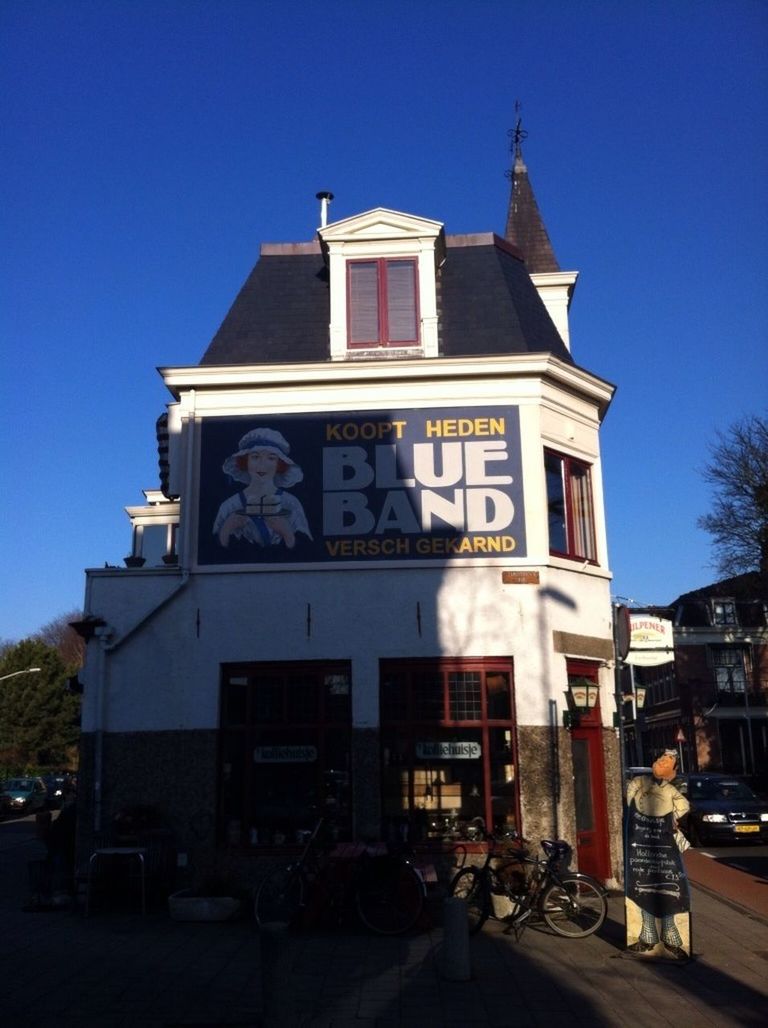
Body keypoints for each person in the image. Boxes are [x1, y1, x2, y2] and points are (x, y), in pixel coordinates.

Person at [625, 749, 690, 959]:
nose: (662, 763)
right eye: (661, 759)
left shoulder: (671, 790)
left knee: (670, 890)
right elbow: (629, 801)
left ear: (672, 771)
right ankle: (648, 935)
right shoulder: (639, 782)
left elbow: (684, 805)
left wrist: (672, 817)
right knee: (642, 888)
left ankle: (670, 937)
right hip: (641, 844)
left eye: (667, 761)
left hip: (664, 847)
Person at [213, 427, 312, 549]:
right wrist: (226, 529)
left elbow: (307, 551)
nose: (262, 464)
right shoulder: (230, 506)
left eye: (271, 458)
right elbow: (212, 552)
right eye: (255, 457)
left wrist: (287, 534)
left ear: (279, 464)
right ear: (245, 462)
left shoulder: (291, 504)